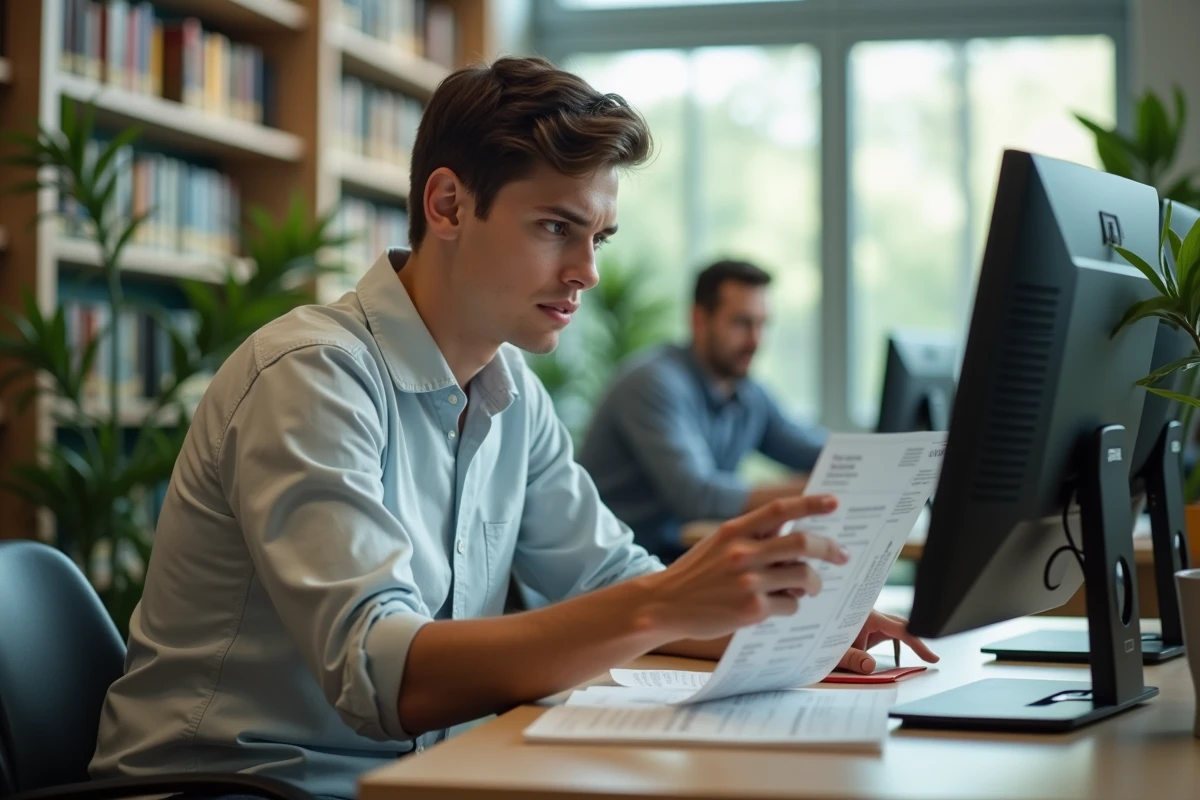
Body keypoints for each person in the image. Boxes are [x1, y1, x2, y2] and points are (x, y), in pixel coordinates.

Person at [89, 57, 935, 800]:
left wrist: (785, 626)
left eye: (597, 235)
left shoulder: (510, 392)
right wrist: (667, 601)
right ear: (449, 205)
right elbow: (385, 677)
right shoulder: (311, 375)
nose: (588, 273)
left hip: (416, 778)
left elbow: (603, 573)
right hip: (243, 787)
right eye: (556, 227)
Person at [579, 260, 828, 563]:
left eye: (762, 324)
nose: (755, 341)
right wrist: (813, 491)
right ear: (699, 319)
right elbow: (697, 495)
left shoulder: (748, 394)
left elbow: (807, 448)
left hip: (681, 557)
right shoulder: (653, 384)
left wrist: (874, 457)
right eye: (741, 323)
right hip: (619, 564)